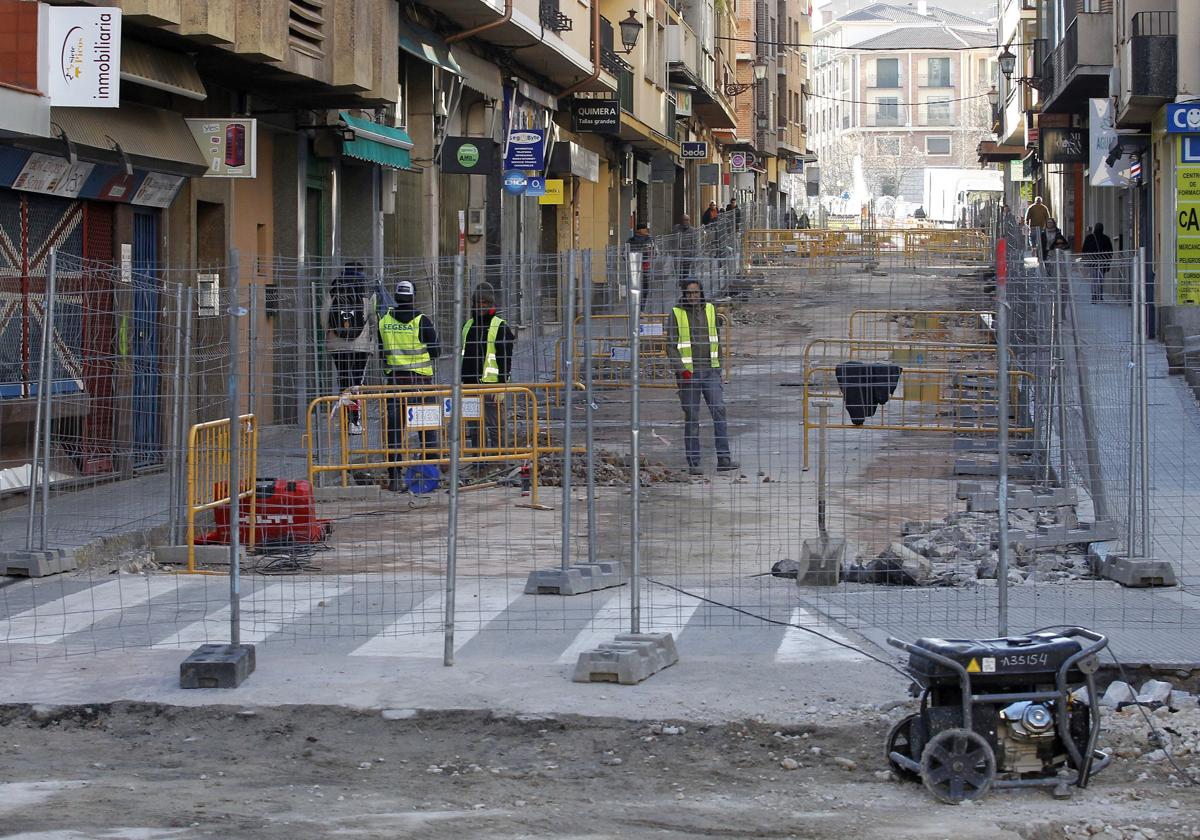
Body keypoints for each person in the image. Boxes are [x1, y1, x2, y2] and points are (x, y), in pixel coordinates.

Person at [666, 279, 738, 475]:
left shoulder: (710, 310)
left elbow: (716, 340)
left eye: (696, 293)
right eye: (689, 293)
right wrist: (682, 369)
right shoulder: (676, 313)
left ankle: (724, 458)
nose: (693, 296)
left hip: (710, 372)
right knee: (692, 417)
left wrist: (718, 367)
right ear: (684, 294)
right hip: (689, 375)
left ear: (701, 293)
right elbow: (671, 346)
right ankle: (694, 462)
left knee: (719, 411)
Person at [378, 279, 440, 491]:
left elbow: (380, 349)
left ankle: (394, 475)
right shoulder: (422, 321)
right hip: (420, 383)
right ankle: (429, 473)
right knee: (427, 428)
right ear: (413, 297)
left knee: (395, 430)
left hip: (395, 383)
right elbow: (436, 352)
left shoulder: (384, 321)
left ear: (396, 297)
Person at [460, 281, 515, 452]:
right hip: (470, 386)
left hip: (492, 386)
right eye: (478, 302)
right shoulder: (468, 326)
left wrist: (501, 385)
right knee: (475, 428)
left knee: (496, 427)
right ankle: (479, 460)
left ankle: (499, 460)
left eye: (485, 303)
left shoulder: (500, 327)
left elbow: (505, 358)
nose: (481, 306)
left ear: (492, 304)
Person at [320, 261, 374, 435]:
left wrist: (331, 333)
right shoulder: (366, 290)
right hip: (361, 344)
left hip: (337, 344)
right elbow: (374, 318)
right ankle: (355, 421)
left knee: (344, 380)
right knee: (357, 382)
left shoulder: (333, 290)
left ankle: (344, 419)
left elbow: (324, 317)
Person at [1081, 222, 1113, 302]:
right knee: (1101, 279)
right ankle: (1100, 295)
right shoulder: (1106, 238)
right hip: (1102, 262)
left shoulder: (1089, 238)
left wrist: (1085, 260)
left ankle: (1094, 295)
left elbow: (1084, 250)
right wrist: (1108, 262)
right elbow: (1110, 252)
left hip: (1092, 262)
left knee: (1094, 279)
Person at [627, 221, 654, 313]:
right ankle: (641, 309)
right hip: (646, 268)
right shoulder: (650, 240)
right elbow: (655, 253)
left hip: (633, 270)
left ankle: (634, 309)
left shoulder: (630, 241)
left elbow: (624, 255)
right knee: (645, 290)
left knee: (633, 289)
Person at [672, 213, 699, 283]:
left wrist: (694, 253)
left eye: (687, 220)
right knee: (677, 269)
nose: (685, 221)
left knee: (685, 270)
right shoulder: (676, 228)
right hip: (678, 253)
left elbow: (695, 243)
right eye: (684, 220)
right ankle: (680, 281)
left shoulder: (692, 230)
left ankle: (684, 283)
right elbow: (671, 239)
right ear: (681, 220)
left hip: (687, 253)